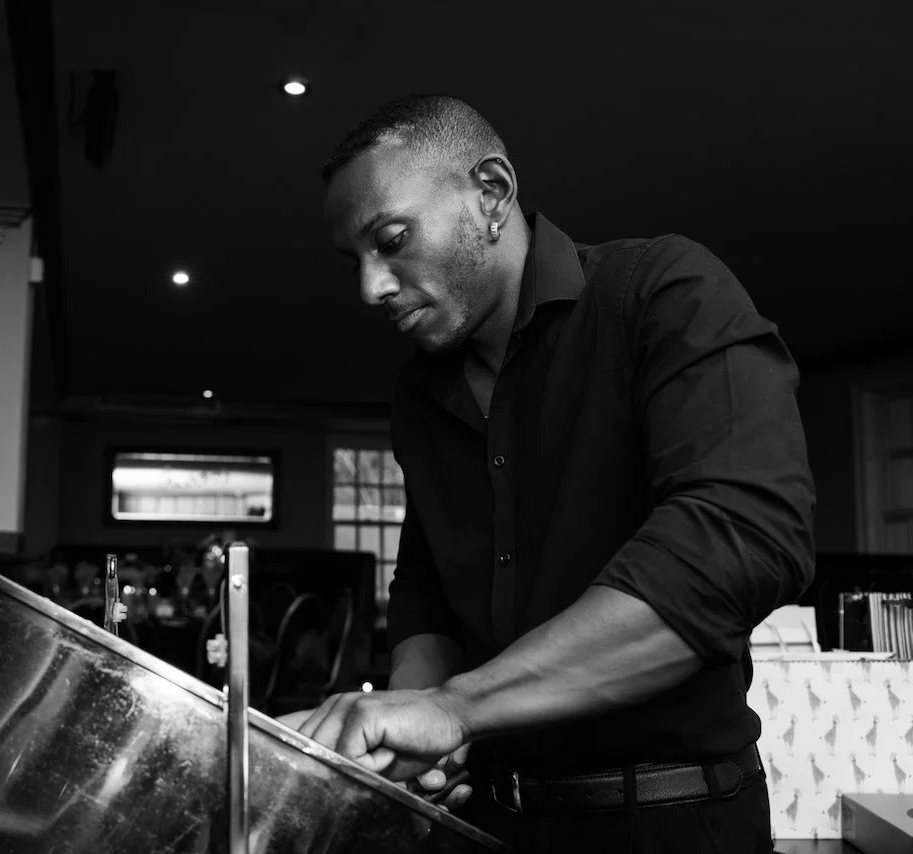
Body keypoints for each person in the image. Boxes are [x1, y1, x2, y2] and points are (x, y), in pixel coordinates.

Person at [284, 95, 815, 853]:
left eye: (392, 240)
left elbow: (738, 544)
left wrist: (455, 707)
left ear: (492, 193)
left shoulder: (663, 292)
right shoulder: (420, 392)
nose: (370, 287)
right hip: (487, 822)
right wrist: (414, 726)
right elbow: (428, 587)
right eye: (357, 261)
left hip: (672, 824)